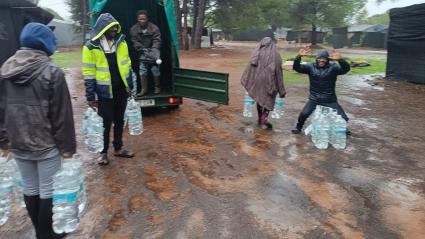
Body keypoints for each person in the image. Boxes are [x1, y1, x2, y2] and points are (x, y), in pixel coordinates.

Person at [0, 22, 75, 239]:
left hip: (18, 142)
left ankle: (41, 232)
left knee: (31, 188)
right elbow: (62, 116)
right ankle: (45, 235)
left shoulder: (5, 69)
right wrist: (67, 149)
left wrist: (4, 142)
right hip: (45, 144)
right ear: (45, 43)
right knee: (48, 191)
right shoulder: (52, 71)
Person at [82, 13, 135, 165]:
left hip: (121, 90)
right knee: (105, 123)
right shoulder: (91, 47)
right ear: (102, 29)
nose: (114, 31)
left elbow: (128, 65)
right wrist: (90, 96)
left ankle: (118, 148)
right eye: (111, 29)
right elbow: (88, 73)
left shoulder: (121, 43)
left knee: (119, 120)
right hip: (104, 92)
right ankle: (103, 152)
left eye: (115, 28)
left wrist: (130, 86)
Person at [291, 46, 351, 134]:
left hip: (329, 99)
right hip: (314, 98)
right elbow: (297, 68)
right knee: (304, 114)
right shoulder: (311, 67)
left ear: (328, 60)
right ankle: (298, 127)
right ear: (316, 59)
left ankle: (341, 128)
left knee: (344, 118)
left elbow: (346, 69)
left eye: (324, 59)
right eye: (319, 58)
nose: (321, 60)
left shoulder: (333, 67)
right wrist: (298, 57)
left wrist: (340, 60)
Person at [241, 37, 286, 129]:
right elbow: (279, 73)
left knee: (259, 98)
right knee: (268, 100)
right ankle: (264, 120)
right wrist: (281, 90)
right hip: (270, 82)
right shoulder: (276, 54)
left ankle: (259, 118)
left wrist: (248, 80)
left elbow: (249, 69)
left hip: (257, 82)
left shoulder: (256, 52)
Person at [130, 10, 162, 96]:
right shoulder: (133, 29)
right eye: (140, 19)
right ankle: (144, 90)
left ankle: (157, 87)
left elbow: (157, 40)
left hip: (153, 51)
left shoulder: (154, 28)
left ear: (147, 19)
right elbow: (134, 41)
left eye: (144, 19)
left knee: (155, 70)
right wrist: (143, 49)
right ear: (137, 19)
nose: (142, 21)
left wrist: (154, 49)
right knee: (142, 71)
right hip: (142, 52)